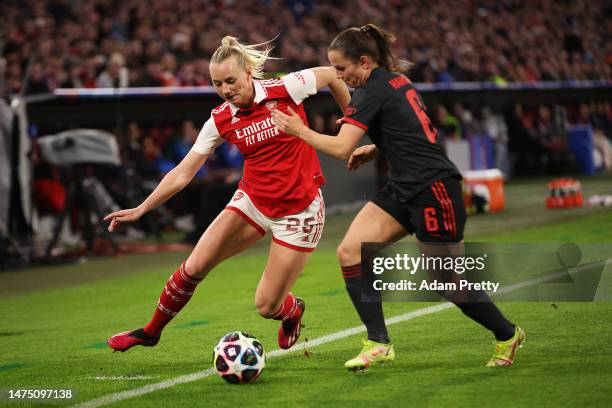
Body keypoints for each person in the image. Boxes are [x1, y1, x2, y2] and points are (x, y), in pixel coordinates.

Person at [272, 24, 524, 370]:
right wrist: (377, 148)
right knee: (350, 252)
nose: (339, 76)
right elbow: (417, 131)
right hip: (403, 186)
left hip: (435, 190)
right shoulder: (396, 81)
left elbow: (341, 146)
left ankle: (508, 334)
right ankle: (377, 343)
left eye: (342, 69)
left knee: (446, 281)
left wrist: (299, 130)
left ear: (363, 61)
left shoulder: (369, 92)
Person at [105, 36, 350, 352]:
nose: (225, 90)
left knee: (266, 306)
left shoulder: (286, 87)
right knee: (194, 267)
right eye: (217, 83)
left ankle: (292, 310)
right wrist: (141, 208)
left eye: (231, 81)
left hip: (299, 212)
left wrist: (351, 117)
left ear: (249, 73)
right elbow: (183, 172)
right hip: (253, 201)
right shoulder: (221, 119)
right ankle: (150, 332)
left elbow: (332, 74)